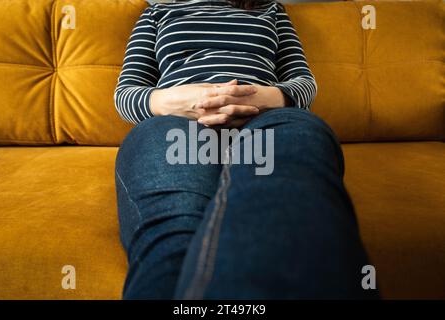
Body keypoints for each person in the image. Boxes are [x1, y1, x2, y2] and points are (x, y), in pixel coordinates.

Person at [114, 0, 379, 299]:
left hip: (269, 121)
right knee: (175, 226)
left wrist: (261, 99)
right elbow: (126, 94)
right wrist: (181, 102)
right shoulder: (157, 11)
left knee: (287, 201)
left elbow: (305, 84)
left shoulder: (272, 10)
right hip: (176, 126)